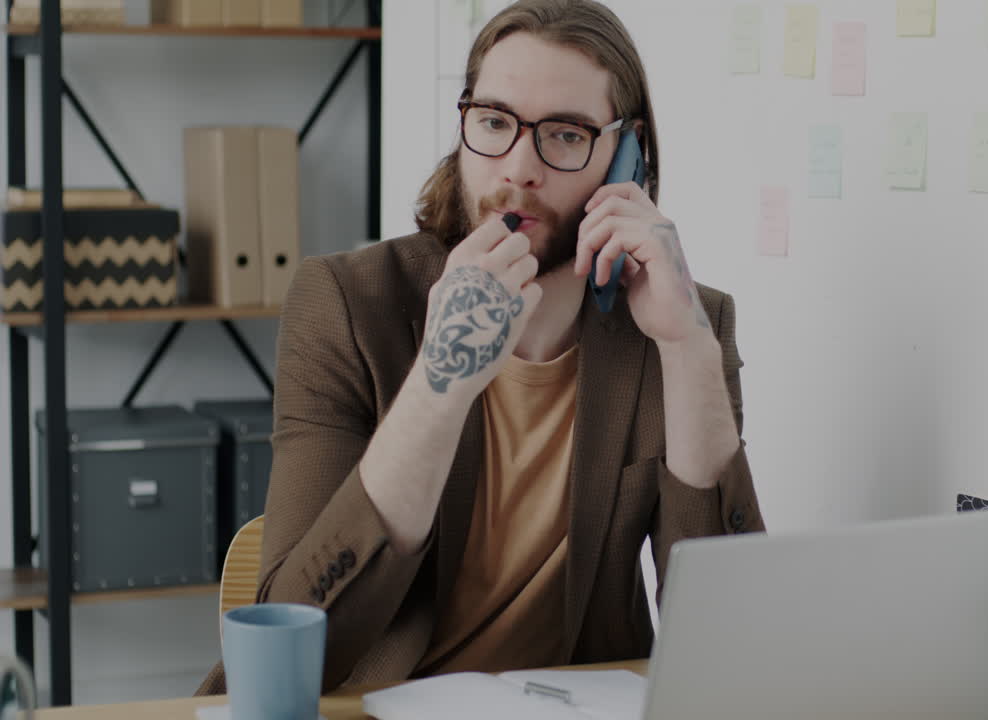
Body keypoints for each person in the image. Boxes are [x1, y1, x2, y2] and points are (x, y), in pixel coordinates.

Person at [198, 0, 764, 695]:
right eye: (494, 122)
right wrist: (441, 380)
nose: (518, 169)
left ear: (627, 154)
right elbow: (298, 642)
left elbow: (732, 643)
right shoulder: (346, 303)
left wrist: (688, 352)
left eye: (565, 135)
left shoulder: (683, 321)